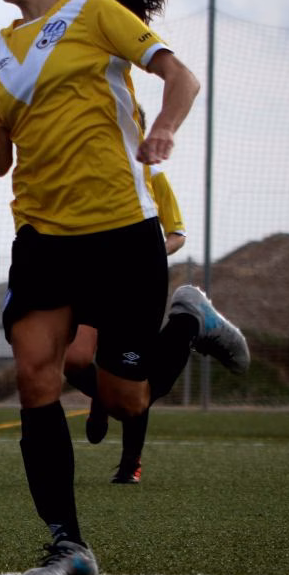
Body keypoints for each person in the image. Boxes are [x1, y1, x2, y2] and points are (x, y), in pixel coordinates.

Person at [0, 0, 250, 575]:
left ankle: (189, 320)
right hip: (43, 236)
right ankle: (68, 545)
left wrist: (162, 129)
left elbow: (181, 77)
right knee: (36, 376)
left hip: (122, 233)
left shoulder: (97, 15)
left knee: (127, 400)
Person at [66, 108, 187, 484]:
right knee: (73, 360)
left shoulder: (152, 178)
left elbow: (177, 234)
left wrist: (145, 257)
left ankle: (130, 461)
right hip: (92, 282)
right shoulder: (87, 174)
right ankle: (102, 397)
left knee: (136, 373)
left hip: (136, 287)